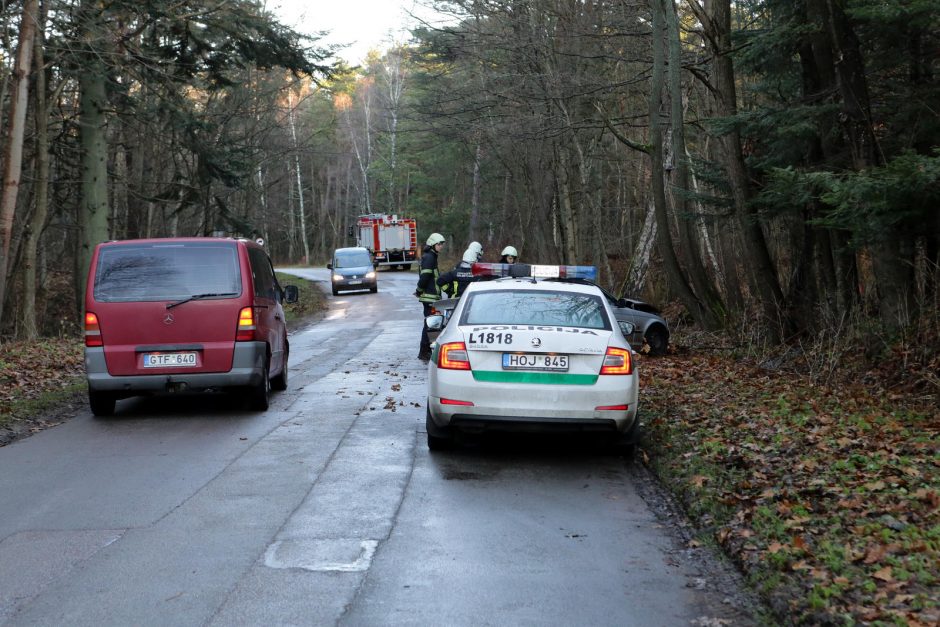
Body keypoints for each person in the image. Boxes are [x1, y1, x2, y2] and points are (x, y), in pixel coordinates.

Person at [415, 233, 445, 360]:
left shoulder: (431, 256)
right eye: (439, 244)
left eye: (442, 244)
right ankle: (424, 351)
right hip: (429, 297)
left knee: (430, 323)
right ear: (433, 245)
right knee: (430, 323)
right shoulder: (429, 258)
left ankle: (425, 350)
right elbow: (425, 277)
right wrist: (419, 290)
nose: (441, 247)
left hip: (432, 296)